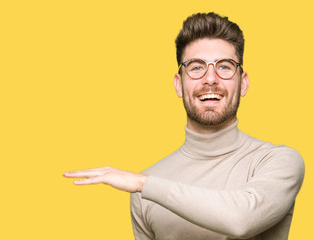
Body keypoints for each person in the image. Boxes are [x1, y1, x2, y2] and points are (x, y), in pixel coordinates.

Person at [63, 12, 305, 239]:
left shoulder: (277, 161)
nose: (211, 79)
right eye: (197, 67)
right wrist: (144, 186)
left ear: (243, 83)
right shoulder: (145, 190)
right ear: (179, 84)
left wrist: (144, 184)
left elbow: (241, 219)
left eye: (224, 66)